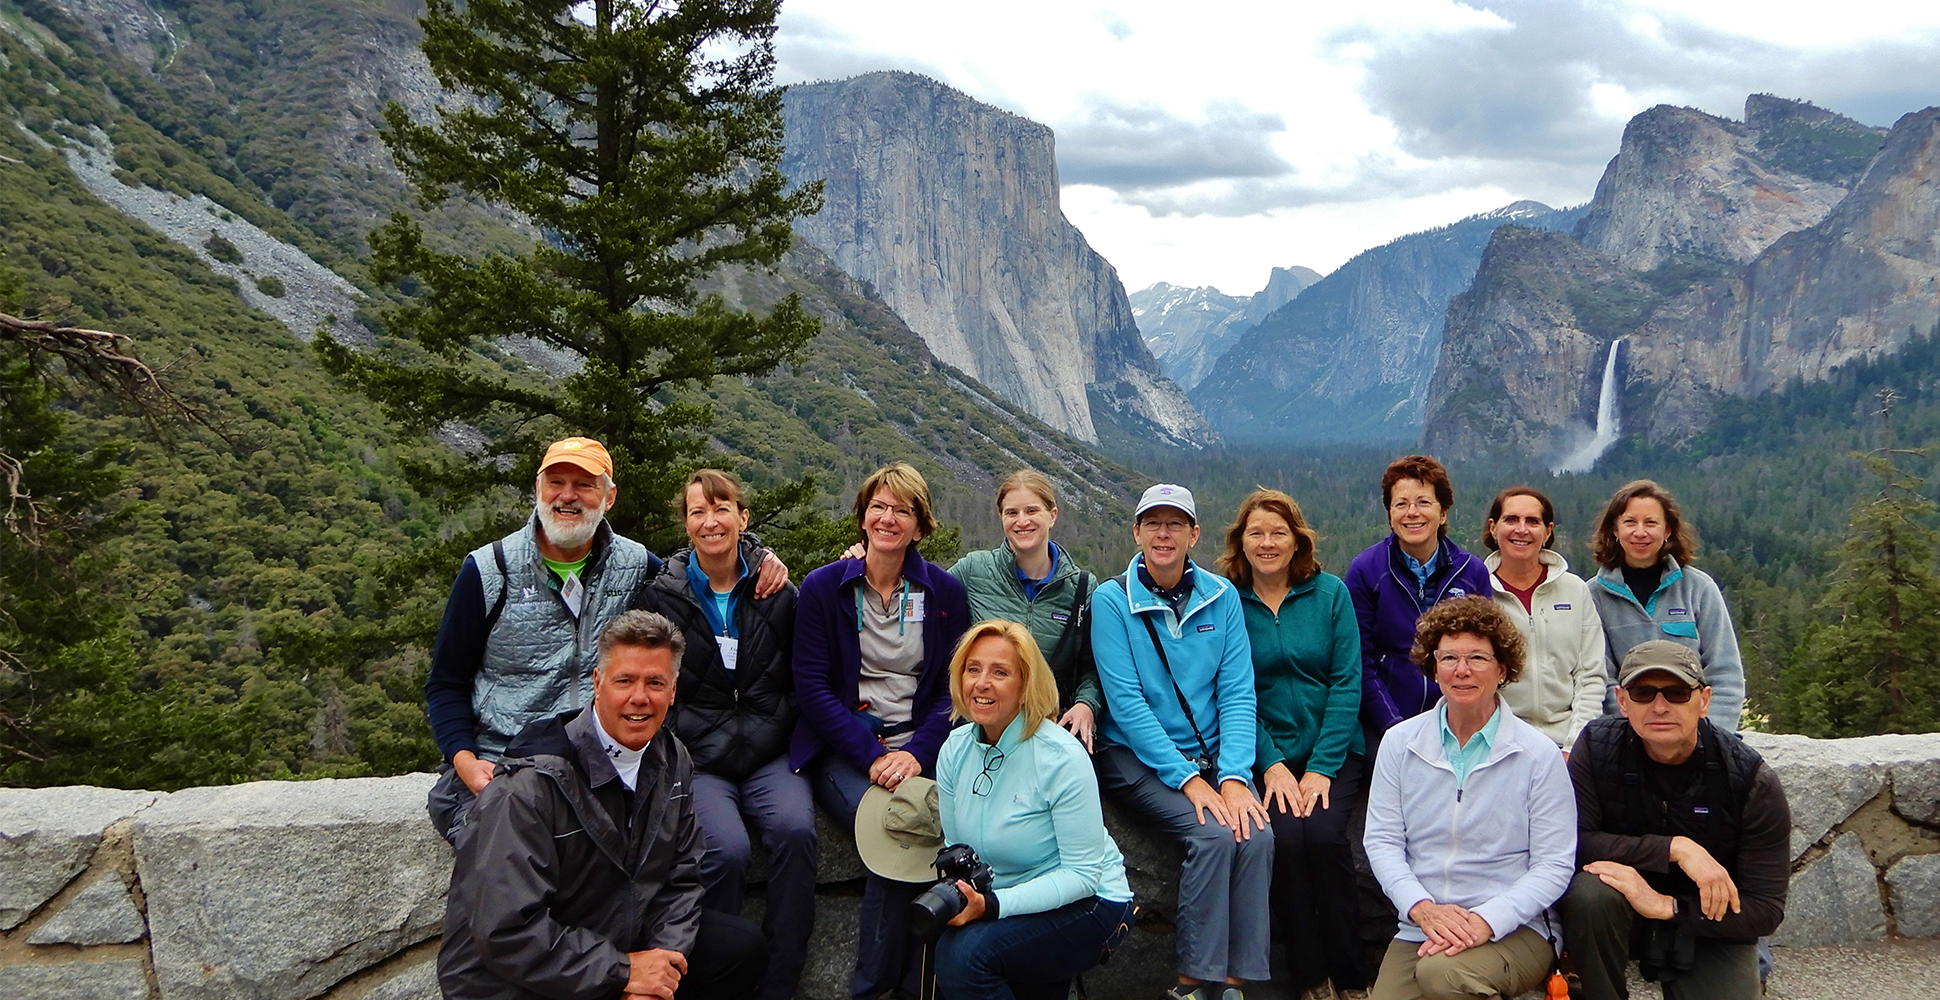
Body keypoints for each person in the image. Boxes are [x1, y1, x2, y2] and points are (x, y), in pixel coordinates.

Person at [423, 436, 787, 842]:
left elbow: (701, 569)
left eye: (584, 485)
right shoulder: (490, 571)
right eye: (556, 482)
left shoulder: (634, 565)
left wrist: (757, 558)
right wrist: (465, 760)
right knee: (505, 867)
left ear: (608, 497)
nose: (567, 496)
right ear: (537, 490)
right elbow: (446, 682)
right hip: (504, 760)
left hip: (601, 764)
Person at [437, 610, 767, 1000]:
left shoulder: (672, 758)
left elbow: (682, 879)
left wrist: (659, 966)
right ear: (597, 682)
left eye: (655, 682)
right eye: (624, 680)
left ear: (674, 689)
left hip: (614, 932)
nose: (639, 697)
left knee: (740, 948)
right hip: (516, 976)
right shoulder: (529, 788)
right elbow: (508, 931)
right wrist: (623, 973)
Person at [628, 470, 811, 1000]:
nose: (711, 522)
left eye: (721, 508)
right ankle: (718, 983)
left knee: (796, 835)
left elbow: (805, 672)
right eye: (697, 512)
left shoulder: (777, 590)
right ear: (686, 525)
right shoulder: (662, 596)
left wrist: (784, 723)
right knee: (724, 851)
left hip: (771, 754)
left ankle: (779, 985)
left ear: (742, 517)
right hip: (699, 758)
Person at [792, 462, 971, 1000]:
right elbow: (812, 686)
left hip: (920, 747)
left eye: (903, 510)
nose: (888, 517)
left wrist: (915, 753)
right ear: (863, 516)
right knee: (895, 830)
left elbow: (951, 690)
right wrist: (870, 756)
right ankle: (875, 989)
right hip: (844, 748)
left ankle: (913, 986)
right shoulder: (825, 587)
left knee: (941, 831)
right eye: (879, 506)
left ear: (920, 525)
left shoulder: (942, 592)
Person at [1092, 483, 1273, 1000]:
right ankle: (1194, 983)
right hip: (1133, 755)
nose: (1163, 533)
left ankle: (1235, 985)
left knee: (1257, 835)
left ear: (1194, 533)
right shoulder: (1112, 600)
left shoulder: (1222, 598)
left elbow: (1239, 694)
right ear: (1137, 532)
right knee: (1213, 834)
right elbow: (1126, 705)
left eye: (1175, 523)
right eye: (1153, 523)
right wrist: (1190, 781)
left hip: (1213, 754)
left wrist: (1236, 777)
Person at [1362, 597, 1575, 1000]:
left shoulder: (1538, 755)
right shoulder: (1400, 743)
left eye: (1478, 657)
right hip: (1423, 927)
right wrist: (1422, 909)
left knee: (1444, 976)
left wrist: (1486, 920)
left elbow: (1554, 864)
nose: (1462, 670)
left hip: (1517, 928)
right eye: (1449, 658)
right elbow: (1382, 842)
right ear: (1433, 667)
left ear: (1502, 670)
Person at [1562, 641, 1790, 1000]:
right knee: (1591, 895)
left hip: (1707, 923)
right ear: (1622, 701)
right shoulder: (1595, 749)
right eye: (1642, 693)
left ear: (1705, 700)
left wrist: (1666, 906)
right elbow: (1574, 843)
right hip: (1620, 912)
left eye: (1677, 693)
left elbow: (1765, 909)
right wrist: (1674, 849)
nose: (1659, 707)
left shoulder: (1748, 778)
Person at [926, 619, 1136, 1000]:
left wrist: (993, 906)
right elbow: (959, 851)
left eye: (1000, 672)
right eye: (973, 669)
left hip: (1092, 902)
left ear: (1025, 687)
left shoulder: (1060, 757)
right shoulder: (955, 750)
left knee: (964, 958)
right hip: (1010, 897)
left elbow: (1082, 874)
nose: (982, 683)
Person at [1220, 489, 1369, 1000]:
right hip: (1268, 754)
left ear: (1297, 539)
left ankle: (1352, 976)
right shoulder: (1225, 602)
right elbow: (1233, 691)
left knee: (1326, 838)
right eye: (1255, 534)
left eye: (1278, 532)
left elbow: (1348, 682)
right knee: (1284, 843)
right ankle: (1311, 979)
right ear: (1240, 543)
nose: (1267, 543)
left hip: (1334, 750)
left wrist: (1322, 767)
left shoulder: (1330, 594)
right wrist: (1272, 765)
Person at [949, 470, 1103, 751]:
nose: (1022, 521)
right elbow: (924, 589)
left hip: (1050, 725)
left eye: (1032, 510)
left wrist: (1086, 704)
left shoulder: (1082, 588)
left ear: (1052, 515)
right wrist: (865, 560)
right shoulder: (974, 571)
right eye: (1012, 513)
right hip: (985, 725)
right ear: (1001, 518)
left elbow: (1092, 666)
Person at [1345, 455, 1492, 745]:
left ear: (1444, 512)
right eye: (1401, 504)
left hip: (1460, 724)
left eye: (1424, 502)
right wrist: (1394, 727)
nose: (1412, 513)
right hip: (1384, 725)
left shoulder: (1471, 572)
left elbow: (1482, 658)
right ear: (1389, 513)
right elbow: (1360, 662)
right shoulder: (1367, 571)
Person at [1586, 481, 1745, 729]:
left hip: (1695, 734)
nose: (1640, 532)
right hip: (1627, 735)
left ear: (1668, 530)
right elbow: (1601, 679)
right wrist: (1635, 734)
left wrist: (1711, 737)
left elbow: (1724, 673)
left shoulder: (1699, 589)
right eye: (1630, 522)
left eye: (1651, 523)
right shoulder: (1593, 596)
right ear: (1615, 530)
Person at [1480, 486, 1606, 751]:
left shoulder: (1575, 590)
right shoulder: (1478, 593)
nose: (1521, 529)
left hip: (1569, 741)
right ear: (1493, 528)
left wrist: (1575, 747)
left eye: (1532, 521)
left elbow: (1590, 676)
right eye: (1511, 519)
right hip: (1499, 743)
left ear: (1548, 531)